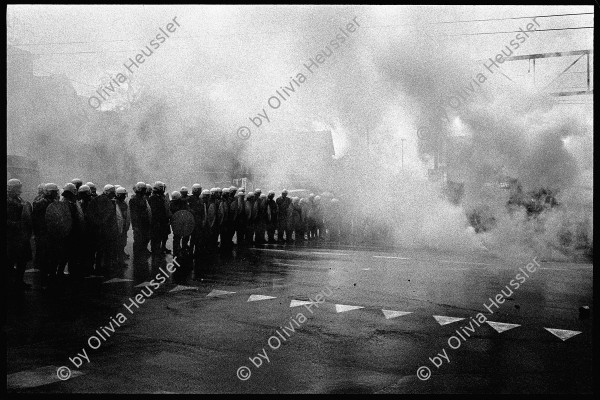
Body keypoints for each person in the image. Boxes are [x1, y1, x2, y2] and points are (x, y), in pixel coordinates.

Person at [87, 185, 119, 277]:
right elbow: (104, 215)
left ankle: (99, 267)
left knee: (101, 250)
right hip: (102, 230)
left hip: (101, 229)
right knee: (100, 250)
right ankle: (98, 268)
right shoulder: (103, 200)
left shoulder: (102, 199)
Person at [33, 183, 60, 287]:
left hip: (52, 234)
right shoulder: (40, 203)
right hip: (44, 234)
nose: (56, 193)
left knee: (53, 257)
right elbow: (36, 220)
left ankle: (51, 277)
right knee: (45, 258)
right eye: (54, 191)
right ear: (49, 192)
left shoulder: (54, 202)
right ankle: (44, 280)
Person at [7, 179, 32, 290]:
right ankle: (10, 283)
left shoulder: (20, 199)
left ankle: (19, 281)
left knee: (22, 260)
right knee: (10, 261)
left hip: (21, 235)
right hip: (11, 236)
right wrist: (15, 224)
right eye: (17, 187)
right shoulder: (7, 201)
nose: (19, 190)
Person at [58, 183, 84, 279]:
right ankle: (64, 272)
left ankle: (70, 271)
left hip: (73, 232)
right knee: (67, 254)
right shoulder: (66, 203)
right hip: (69, 232)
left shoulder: (71, 202)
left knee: (70, 254)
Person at [129, 182, 152, 256]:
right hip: (138, 223)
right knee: (138, 240)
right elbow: (134, 214)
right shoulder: (134, 200)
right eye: (143, 189)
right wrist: (135, 226)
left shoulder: (143, 199)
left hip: (144, 222)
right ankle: (137, 255)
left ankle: (143, 251)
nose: (145, 191)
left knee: (145, 238)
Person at [148, 182, 169, 255]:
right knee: (156, 237)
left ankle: (159, 249)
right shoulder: (154, 198)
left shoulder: (160, 197)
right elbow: (155, 211)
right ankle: (155, 251)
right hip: (157, 221)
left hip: (161, 220)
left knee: (161, 235)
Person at [169, 190, 189, 257]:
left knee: (177, 237)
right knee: (177, 237)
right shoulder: (176, 204)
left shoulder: (171, 203)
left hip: (176, 222)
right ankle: (177, 251)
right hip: (177, 222)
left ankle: (177, 250)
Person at [115, 187, 131, 267]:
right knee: (118, 245)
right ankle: (118, 261)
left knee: (122, 245)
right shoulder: (115, 203)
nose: (124, 196)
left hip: (123, 227)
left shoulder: (124, 203)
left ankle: (120, 261)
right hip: (117, 227)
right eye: (123, 195)